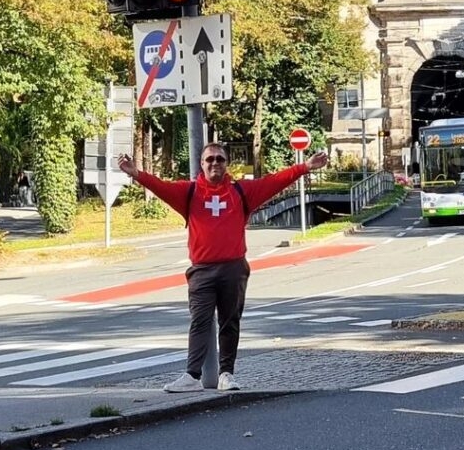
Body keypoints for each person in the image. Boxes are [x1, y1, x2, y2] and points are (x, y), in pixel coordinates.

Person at [118, 142, 329, 392]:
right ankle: (191, 376)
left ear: (226, 163)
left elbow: (275, 181)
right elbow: (160, 186)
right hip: (201, 271)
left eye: (219, 159)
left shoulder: (241, 191)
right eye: (210, 160)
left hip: (234, 268)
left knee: (230, 322)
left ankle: (226, 374)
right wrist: (135, 173)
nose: (214, 163)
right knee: (200, 321)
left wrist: (305, 167)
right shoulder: (189, 192)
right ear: (201, 164)